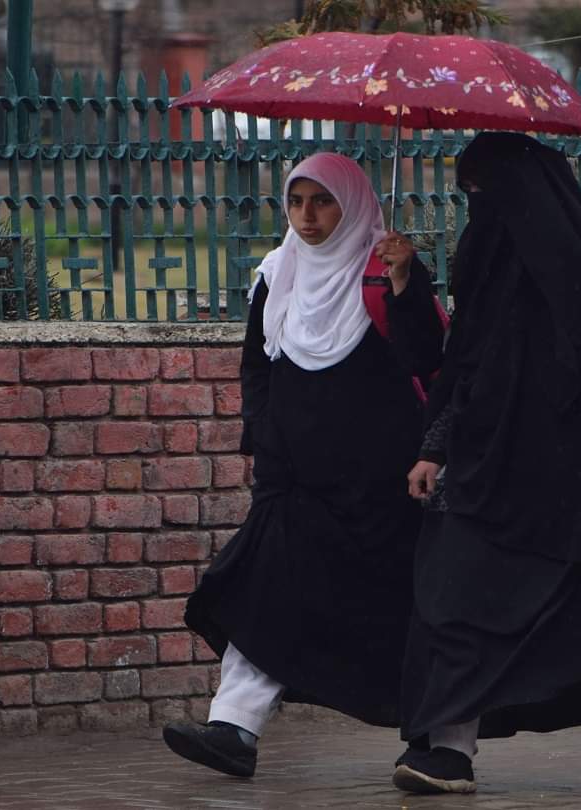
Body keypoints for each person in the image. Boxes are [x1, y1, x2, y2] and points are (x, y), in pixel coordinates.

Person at [392, 132, 581, 795]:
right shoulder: (492, 261)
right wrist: (434, 447)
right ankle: (448, 747)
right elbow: (464, 362)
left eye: (482, 193)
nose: (477, 209)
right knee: (452, 594)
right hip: (485, 469)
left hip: (566, 481)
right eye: (467, 196)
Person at [163, 152, 445, 778]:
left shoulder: (385, 266)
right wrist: (263, 438)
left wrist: (403, 283)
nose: (308, 216)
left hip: (378, 480)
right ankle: (233, 727)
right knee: (267, 582)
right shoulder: (276, 272)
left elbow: (425, 355)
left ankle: (432, 739)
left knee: (395, 602)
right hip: (294, 476)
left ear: (351, 203)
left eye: (323, 201)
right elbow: (257, 364)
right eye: (296, 201)